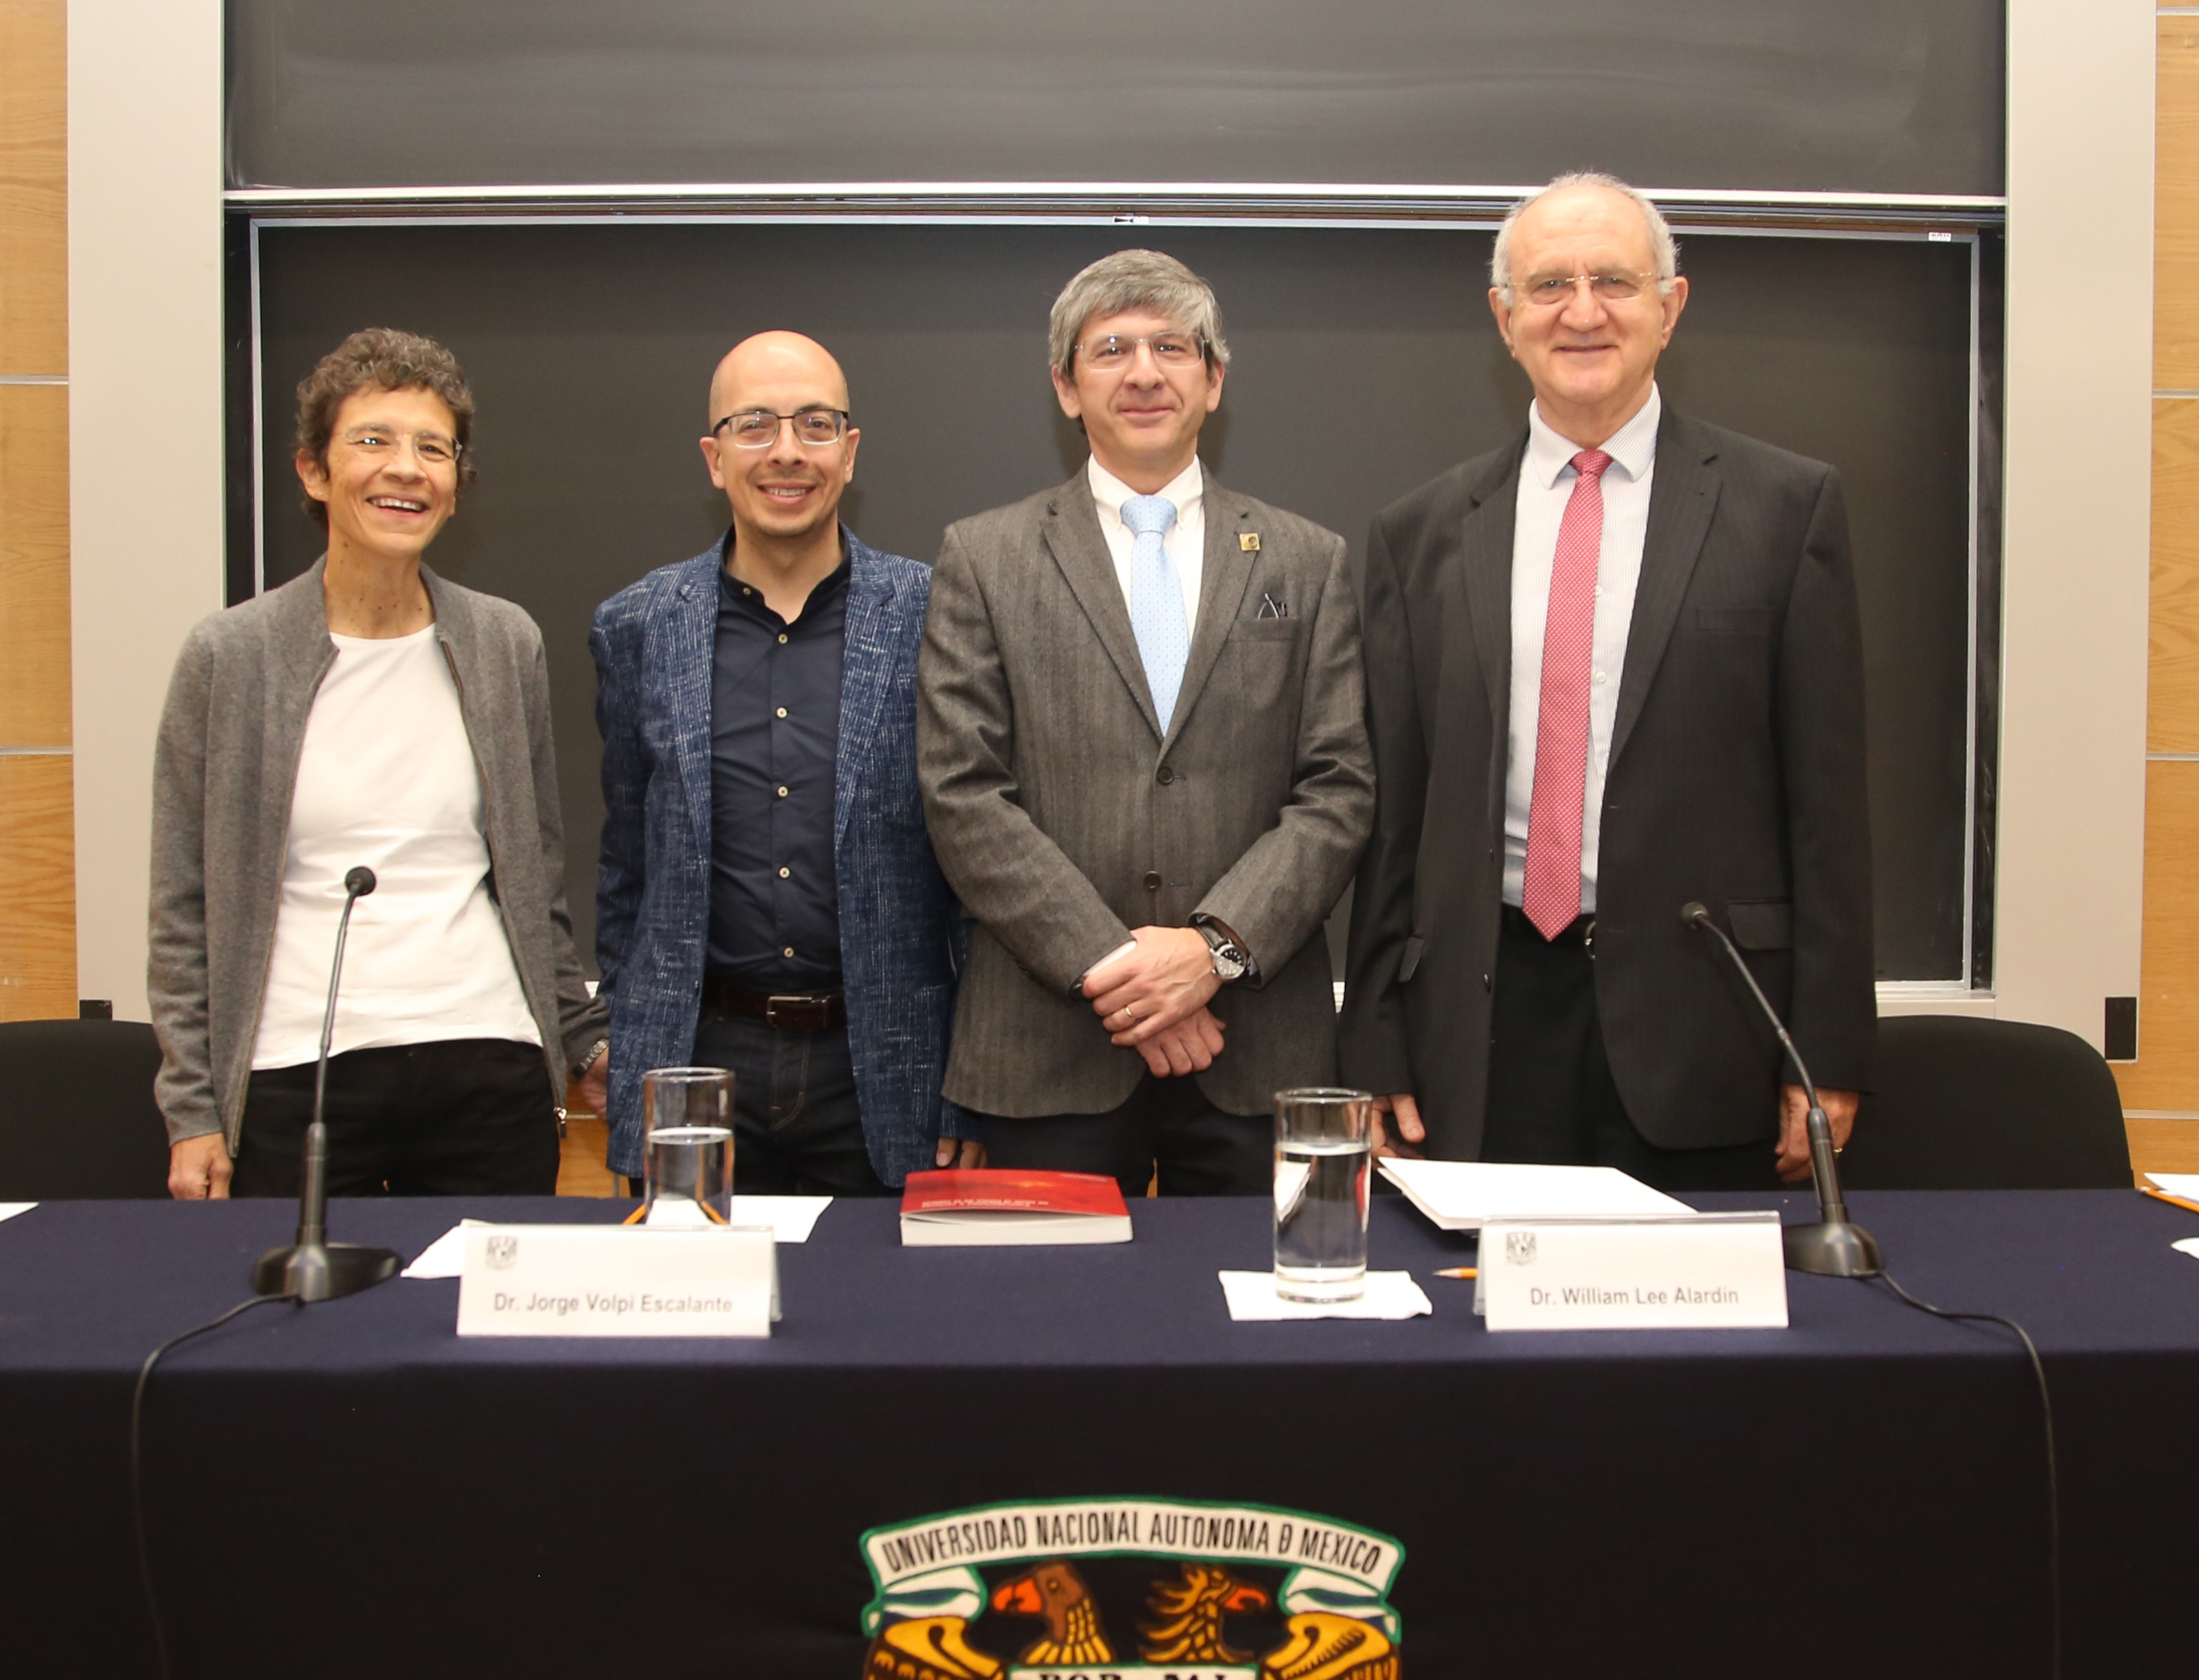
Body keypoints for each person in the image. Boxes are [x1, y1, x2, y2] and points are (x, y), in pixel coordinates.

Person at [1339, 172, 1875, 1188]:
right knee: (1482, 1336)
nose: (1580, 312)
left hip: (1707, 1028)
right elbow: (1389, 815)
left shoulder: (1785, 508)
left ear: (1669, 307)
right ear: (1504, 319)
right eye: (1547, 286)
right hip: (1481, 1026)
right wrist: (1371, 1037)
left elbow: (1829, 808)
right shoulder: (1419, 533)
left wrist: (1829, 1051)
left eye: (1613, 282)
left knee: (1694, 1345)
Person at [918, 250, 1374, 1196]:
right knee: (1050, 1334)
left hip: (1258, 1055)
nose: (1142, 372)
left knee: (1274, 1328)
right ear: (1064, 385)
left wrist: (1209, 953)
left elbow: (1337, 787)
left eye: (1172, 346)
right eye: (1110, 349)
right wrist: (1126, 971)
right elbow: (963, 792)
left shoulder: (1306, 558)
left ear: (1213, 379)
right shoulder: (983, 555)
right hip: (1046, 1054)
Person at [150, 328, 608, 1200]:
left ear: (454, 486)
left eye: (433, 449)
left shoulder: (503, 642)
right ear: (314, 472)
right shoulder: (230, 656)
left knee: (487, 1330)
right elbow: (182, 902)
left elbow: (535, 876)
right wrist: (193, 1110)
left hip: (489, 1061)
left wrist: (576, 1034)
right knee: (303, 1333)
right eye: (373, 441)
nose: (407, 468)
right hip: (298, 1071)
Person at [590, 331, 969, 1194]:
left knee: (888, 1328)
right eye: (755, 425)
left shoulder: (939, 613)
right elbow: (626, 864)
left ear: (851, 450)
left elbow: (975, 874)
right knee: (692, 1325)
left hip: (888, 1066)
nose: (787, 452)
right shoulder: (637, 625)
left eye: (815, 424)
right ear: (713, 457)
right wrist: (619, 1032)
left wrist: (970, 1087)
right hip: (694, 1063)